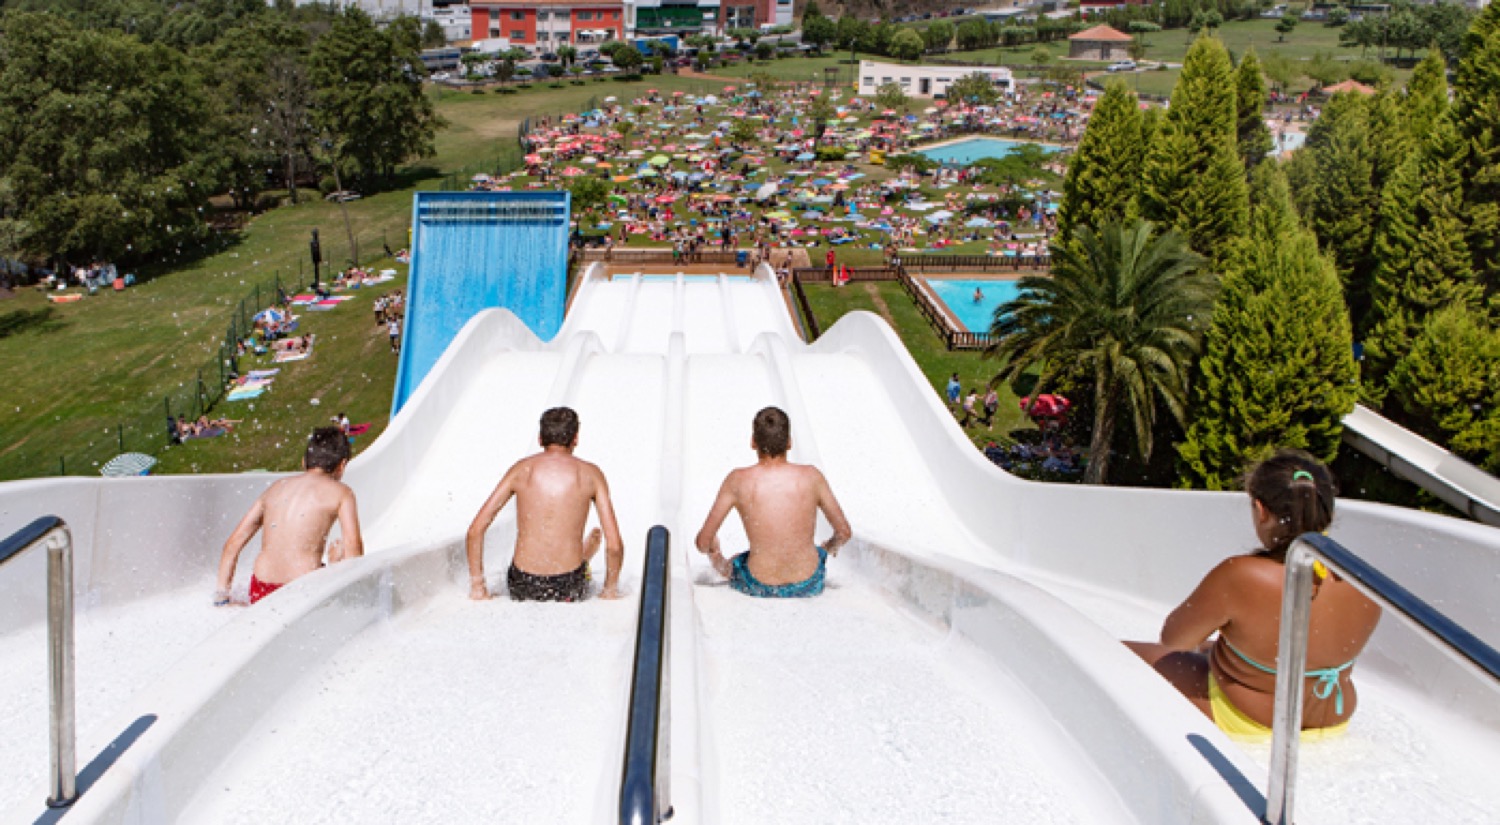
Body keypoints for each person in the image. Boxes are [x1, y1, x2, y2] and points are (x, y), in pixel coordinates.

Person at [1124, 450, 1381, 741]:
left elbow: (1174, 638)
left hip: (1252, 720)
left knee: (1121, 652)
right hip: (1331, 719)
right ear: (1327, 513)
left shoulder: (1242, 575)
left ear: (1261, 510)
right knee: (1214, 648)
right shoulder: (1364, 579)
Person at [466, 407, 624, 602]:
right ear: (575, 438)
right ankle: (584, 556)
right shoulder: (591, 474)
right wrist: (609, 590)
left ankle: (583, 554)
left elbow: (475, 530)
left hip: (522, 584)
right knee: (581, 570)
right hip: (568, 585)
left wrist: (478, 588)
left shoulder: (521, 470)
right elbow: (614, 546)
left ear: (540, 439)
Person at [695, 407, 852, 598]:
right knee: (814, 553)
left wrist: (713, 550)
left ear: (753, 442)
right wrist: (828, 548)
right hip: (809, 582)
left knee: (736, 562)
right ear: (789, 442)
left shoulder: (737, 480)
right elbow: (844, 532)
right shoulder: (812, 477)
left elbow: (702, 543)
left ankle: (721, 561)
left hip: (758, 585)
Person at [215, 428, 363, 606]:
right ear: (342, 465)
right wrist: (339, 569)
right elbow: (354, 547)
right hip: (302, 589)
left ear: (303, 462)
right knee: (339, 554)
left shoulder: (276, 488)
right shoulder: (342, 493)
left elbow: (232, 544)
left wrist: (222, 598)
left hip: (260, 588)